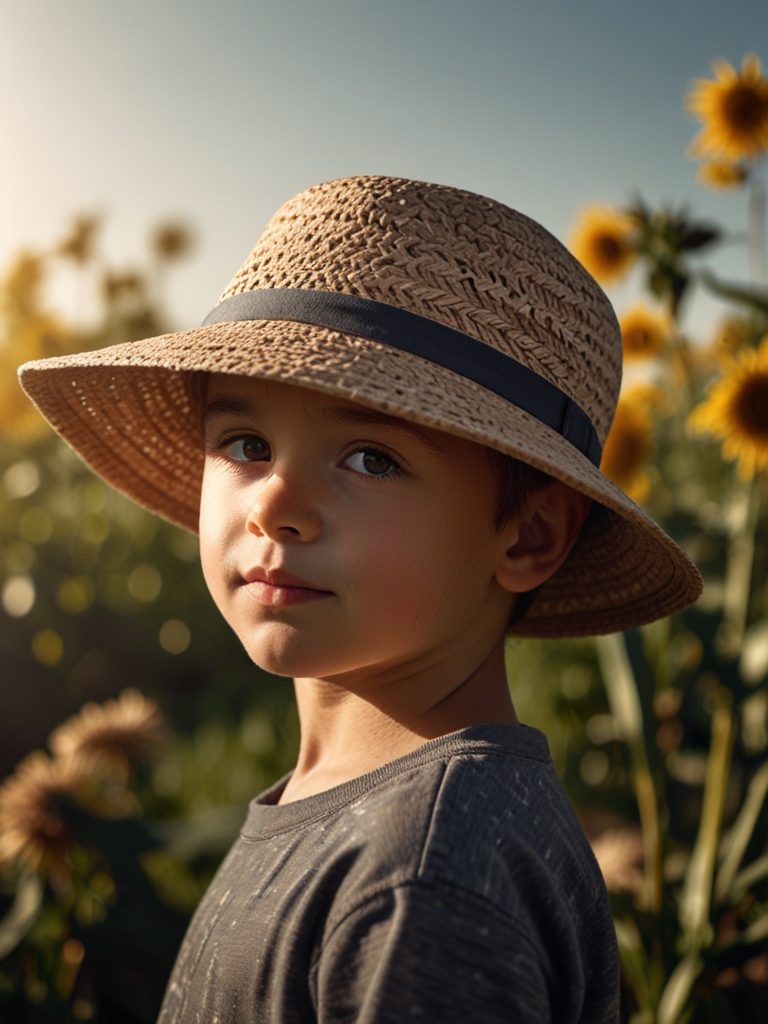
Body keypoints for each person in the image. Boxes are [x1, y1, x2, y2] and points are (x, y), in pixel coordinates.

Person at [19, 176, 702, 1023]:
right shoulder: (371, 808)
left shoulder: (429, 878)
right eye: (246, 443)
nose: (274, 504)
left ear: (528, 537)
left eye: (372, 458)